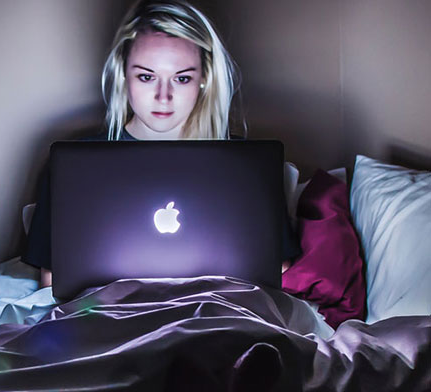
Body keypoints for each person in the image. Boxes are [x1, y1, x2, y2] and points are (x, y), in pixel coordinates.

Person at [24, 0, 300, 288]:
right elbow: (53, 279)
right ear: (123, 74)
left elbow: (275, 268)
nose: (163, 96)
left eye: (181, 78)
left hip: (214, 314)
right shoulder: (73, 166)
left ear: (203, 79)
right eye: (146, 76)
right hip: (112, 319)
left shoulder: (246, 164)